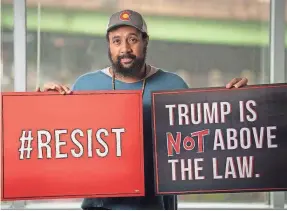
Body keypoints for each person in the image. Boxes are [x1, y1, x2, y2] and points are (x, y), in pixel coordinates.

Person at [38, 9, 248, 210]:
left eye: (133, 39)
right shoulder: (85, 86)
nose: (125, 49)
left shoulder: (173, 85)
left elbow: (207, 143)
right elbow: (59, 144)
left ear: (145, 41)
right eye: (117, 41)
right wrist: (42, 103)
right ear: (109, 45)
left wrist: (234, 105)